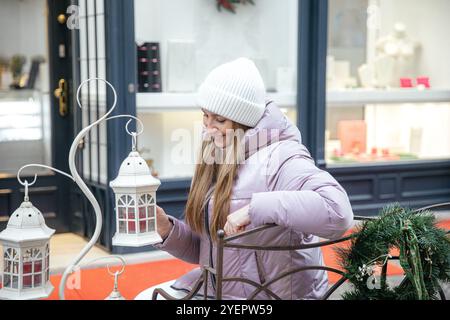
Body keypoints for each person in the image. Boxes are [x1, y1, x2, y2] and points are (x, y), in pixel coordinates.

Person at [135, 57, 354, 300]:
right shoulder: (219, 153)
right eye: (205, 116)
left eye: (219, 119)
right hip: (222, 292)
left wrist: (255, 209)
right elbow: (211, 254)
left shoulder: (282, 155)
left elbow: (338, 212)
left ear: (244, 121)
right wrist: (166, 229)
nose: (208, 128)